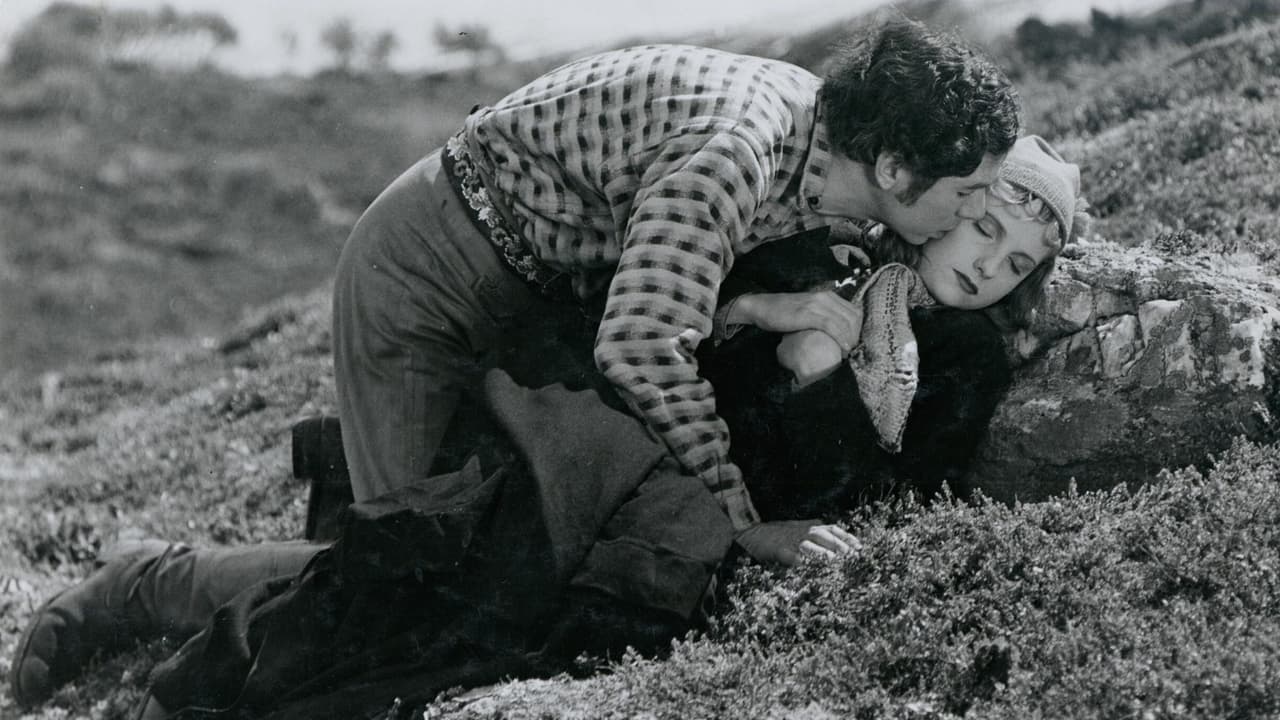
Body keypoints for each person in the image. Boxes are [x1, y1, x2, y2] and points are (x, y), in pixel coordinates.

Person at [9, 135, 1088, 718]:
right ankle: (153, 606)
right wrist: (771, 316)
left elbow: (898, 489)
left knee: (460, 600)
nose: (988, 261)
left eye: (1018, 260)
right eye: (984, 224)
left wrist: (819, 388)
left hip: (689, 517)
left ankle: (151, 581)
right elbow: (673, 312)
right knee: (432, 574)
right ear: (948, 199)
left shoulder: (960, 357)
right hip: (605, 427)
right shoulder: (835, 237)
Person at [330, 16, 1020, 568]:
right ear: (893, 170)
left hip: (534, 288)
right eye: (968, 193)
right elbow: (643, 348)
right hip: (425, 271)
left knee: (481, 541)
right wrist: (742, 526)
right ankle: (257, 571)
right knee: (398, 563)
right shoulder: (737, 153)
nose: (974, 211)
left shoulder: (834, 139)